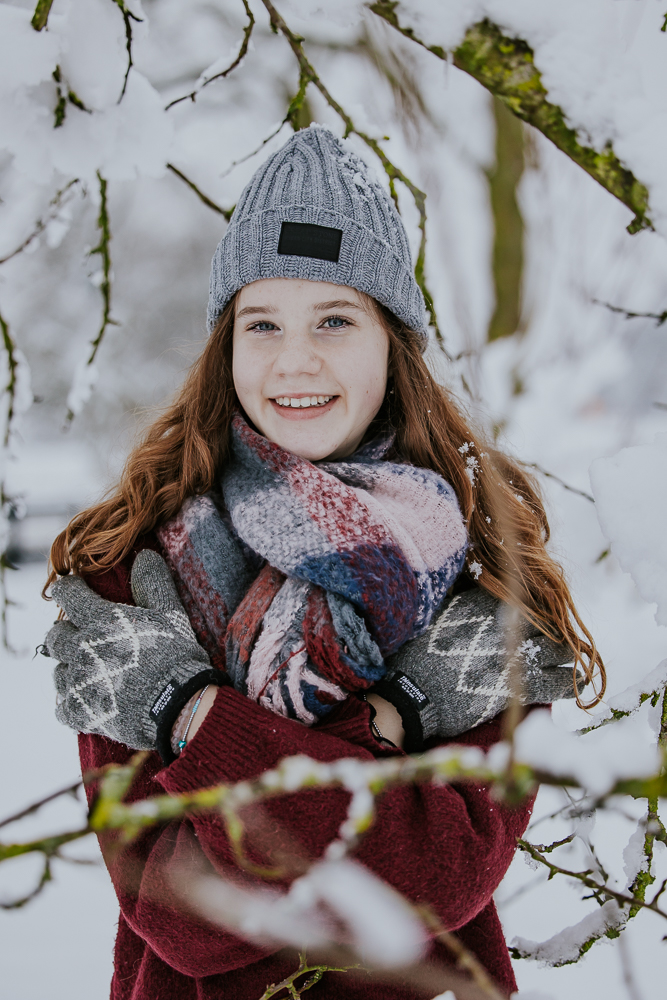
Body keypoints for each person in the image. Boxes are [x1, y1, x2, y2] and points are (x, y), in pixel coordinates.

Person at [44, 126, 604, 999]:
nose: (293, 361)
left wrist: (189, 711)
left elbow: (437, 879)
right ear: (227, 346)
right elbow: (180, 918)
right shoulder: (133, 575)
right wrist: (387, 723)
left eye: (335, 320)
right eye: (261, 323)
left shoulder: (481, 584)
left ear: (393, 343)